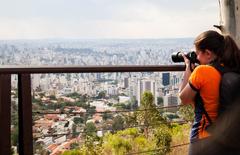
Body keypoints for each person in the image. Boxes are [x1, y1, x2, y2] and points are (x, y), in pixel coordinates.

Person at [178, 30, 240, 155]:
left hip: (202, 139)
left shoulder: (203, 72)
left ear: (208, 53)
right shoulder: (230, 69)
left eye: (197, 54)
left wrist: (188, 68)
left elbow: (183, 99)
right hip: (226, 139)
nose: (197, 58)